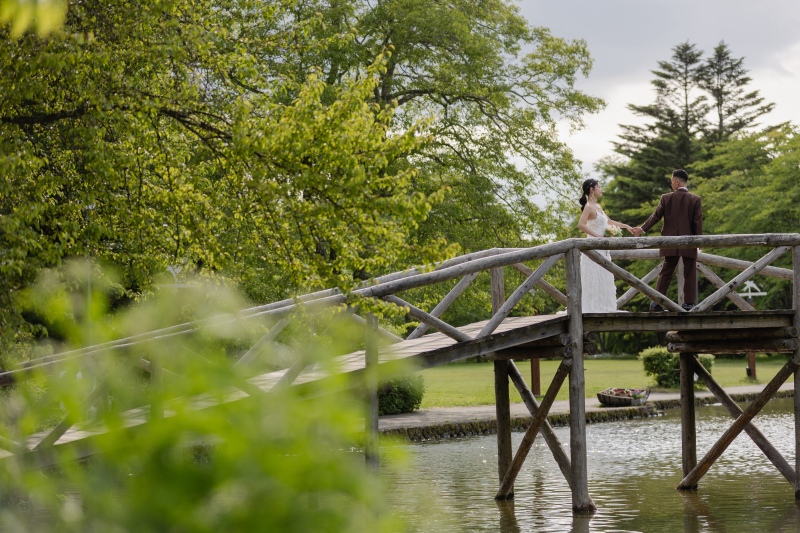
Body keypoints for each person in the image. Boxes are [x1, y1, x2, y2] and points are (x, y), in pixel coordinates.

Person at [632, 169, 703, 311]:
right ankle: (689, 304)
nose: (671, 185)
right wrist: (699, 242)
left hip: (669, 241)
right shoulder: (695, 199)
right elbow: (697, 222)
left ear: (677, 182)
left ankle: (657, 302)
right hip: (689, 242)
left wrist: (642, 229)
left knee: (666, 272)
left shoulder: (666, 198)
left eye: (672, 182)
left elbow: (656, 216)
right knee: (690, 272)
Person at [577, 179, 634, 312]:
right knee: (594, 276)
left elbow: (608, 221)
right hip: (594, 246)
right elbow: (580, 224)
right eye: (599, 187)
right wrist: (597, 236)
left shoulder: (598, 206)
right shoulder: (588, 207)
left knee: (604, 274)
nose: (601, 189)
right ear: (592, 189)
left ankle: (605, 306)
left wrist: (626, 226)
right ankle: (593, 308)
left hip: (603, 248)